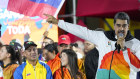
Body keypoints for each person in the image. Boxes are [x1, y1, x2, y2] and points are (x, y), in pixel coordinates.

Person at [45, 12, 140, 79]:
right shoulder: (103, 37)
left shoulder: (135, 44)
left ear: (129, 27)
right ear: (114, 25)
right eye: (118, 25)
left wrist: (124, 50)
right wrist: (58, 22)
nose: (121, 29)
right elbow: (82, 31)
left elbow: (137, 67)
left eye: (124, 26)